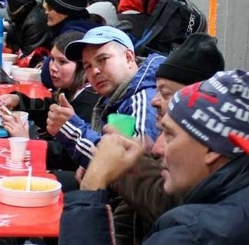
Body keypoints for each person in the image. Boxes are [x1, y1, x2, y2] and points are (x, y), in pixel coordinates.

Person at [60, 69, 249, 245]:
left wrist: (93, 182)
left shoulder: (198, 236)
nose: (157, 148)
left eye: (170, 135)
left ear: (213, 149)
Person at [110, 33, 225, 245]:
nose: (154, 100)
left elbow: (170, 204)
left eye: (164, 92)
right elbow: (126, 222)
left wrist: (120, 167)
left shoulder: (207, 155)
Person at [47, 26, 165, 169]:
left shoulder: (144, 100)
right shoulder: (119, 95)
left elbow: (129, 170)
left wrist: (71, 130)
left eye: (103, 59)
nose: (95, 71)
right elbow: (113, 151)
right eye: (88, 66)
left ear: (129, 58)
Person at [0, 32, 100, 177]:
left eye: (62, 62)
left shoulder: (89, 100)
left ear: (83, 67)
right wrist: (18, 101)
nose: (52, 67)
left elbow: (69, 158)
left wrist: (27, 142)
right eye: (52, 59)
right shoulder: (71, 90)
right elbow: (48, 109)